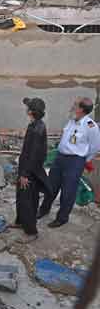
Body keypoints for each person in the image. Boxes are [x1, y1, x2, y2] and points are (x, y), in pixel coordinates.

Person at [38, 97, 100, 228]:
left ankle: (62, 218)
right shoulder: (72, 121)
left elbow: (95, 147)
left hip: (75, 161)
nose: (72, 106)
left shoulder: (90, 126)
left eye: (75, 105)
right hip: (60, 158)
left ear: (81, 110)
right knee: (51, 186)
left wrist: (84, 160)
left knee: (68, 191)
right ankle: (44, 210)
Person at [14, 98, 50, 243]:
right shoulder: (35, 125)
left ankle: (31, 232)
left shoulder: (37, 129)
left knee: (28, 201)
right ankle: (20, 222)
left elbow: (35, 155)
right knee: (22, 198)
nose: (26, 109)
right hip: (27, 168)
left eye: (28, 107)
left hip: (30, 172)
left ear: (31, 112)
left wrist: (25, 174)